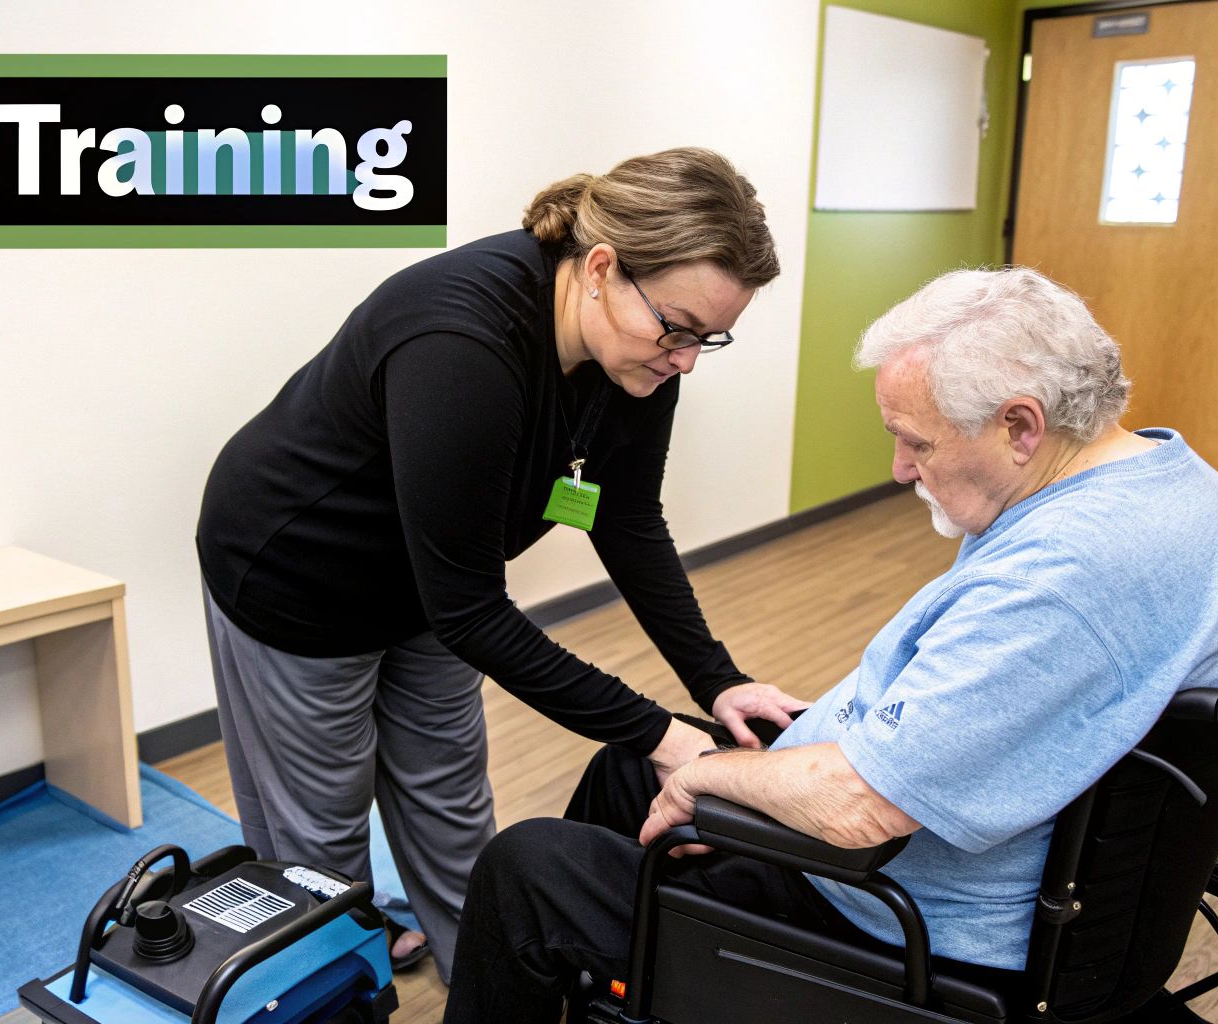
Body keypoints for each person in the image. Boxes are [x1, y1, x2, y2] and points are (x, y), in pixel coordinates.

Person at [442, 267, 1218, 1022]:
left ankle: (645, 957)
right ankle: (639, 972)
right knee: (631, 765)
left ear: (1021, 426)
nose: (897, 467)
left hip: (889, 907)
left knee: (528, 870)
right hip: (946, 831)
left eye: (916, 440)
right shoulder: (1170, 481)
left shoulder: (1068, 576)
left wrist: (710, 775)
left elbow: (863, 810)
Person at [195, 148, 809, 981]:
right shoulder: (462, 339)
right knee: (321, 831)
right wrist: (661, 735)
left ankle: (488, 977)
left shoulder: (640, 350)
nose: (688, 359)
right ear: (601, 268)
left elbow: (624, 516)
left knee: (450, 799)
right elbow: (474, 614)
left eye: (711, 336)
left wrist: (716, 681)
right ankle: (341, 976)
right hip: (300, 577)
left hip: (438, 581)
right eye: (677, 329)